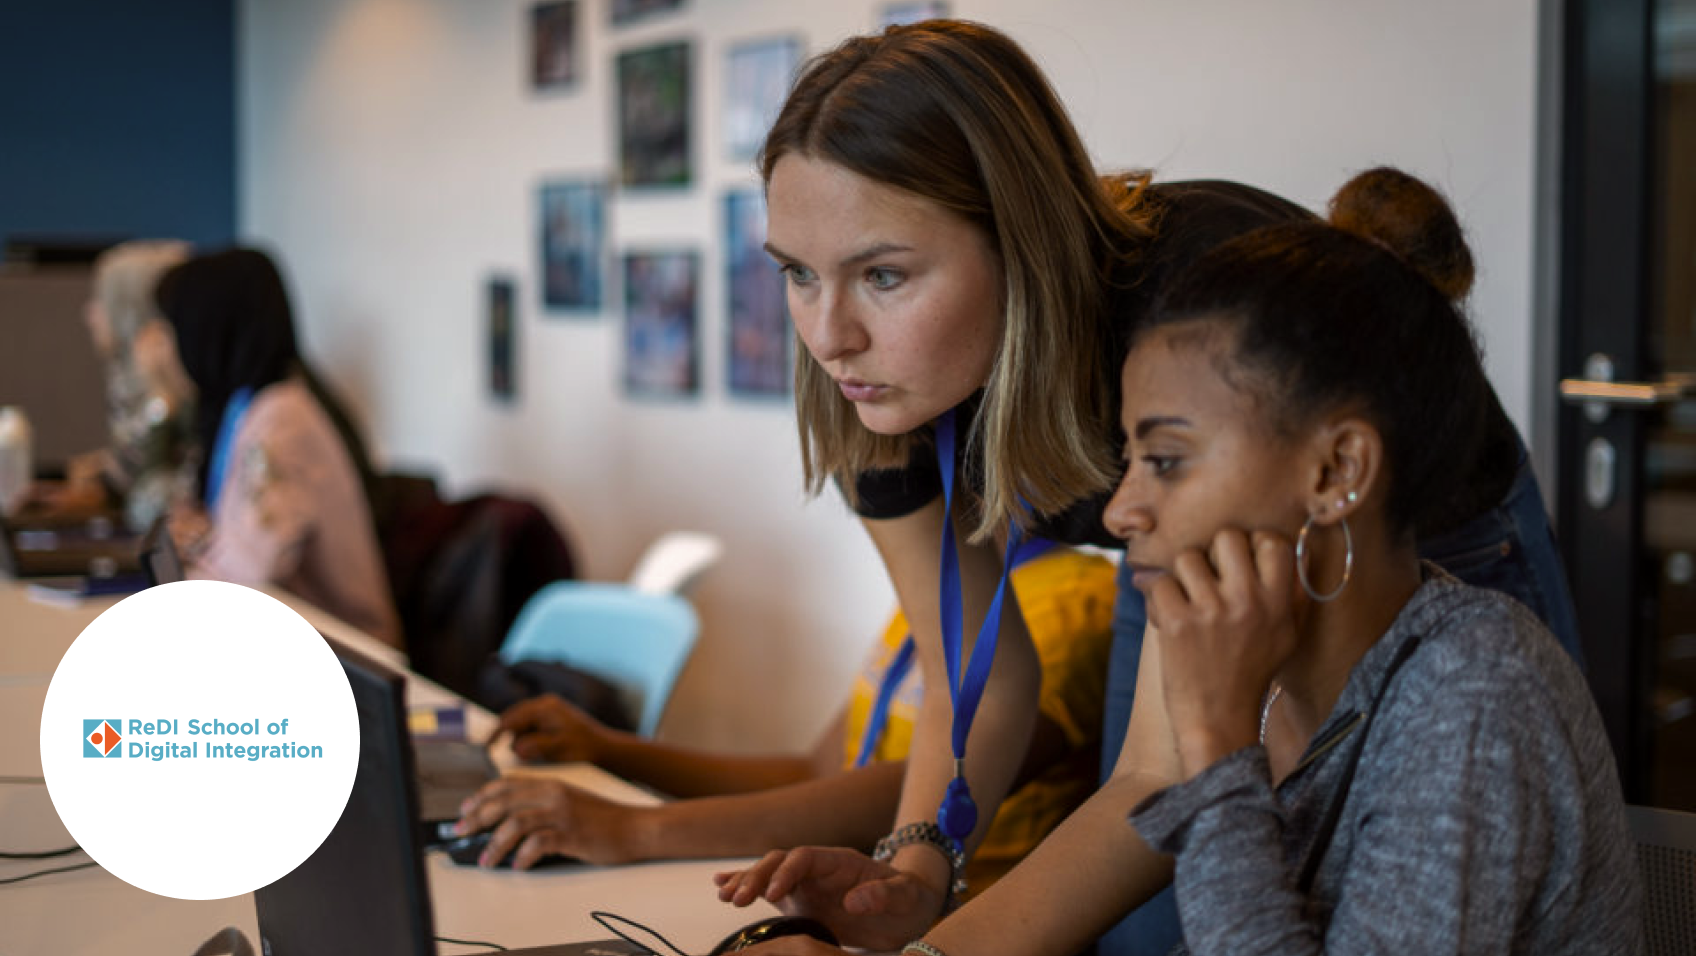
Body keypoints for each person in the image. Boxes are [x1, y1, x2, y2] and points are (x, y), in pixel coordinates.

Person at [713, 19, 1586, 956]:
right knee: (1157, 915)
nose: (828, 334)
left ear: (1020, 238)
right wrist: (919, 879)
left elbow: (1167, 770)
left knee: (1371, 874)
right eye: (798, 275)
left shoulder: (1190, 323)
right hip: (1212, 535)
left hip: (1398, 534)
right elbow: (989, 681)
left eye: (883, 275)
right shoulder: (872, 382)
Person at [454, 542, 1116, 887]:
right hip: (844, 893)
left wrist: (635, 829)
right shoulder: (942, 590)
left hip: (949, 922)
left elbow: (903, 798)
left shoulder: (1078, 604)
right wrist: (611, 750)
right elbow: (816, 769)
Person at [153, 247, 403, 649]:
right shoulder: (244, 409)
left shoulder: (283, 423)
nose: (168, 349)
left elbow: (250, 575)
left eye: (173, 330)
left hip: (348, 659)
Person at [41, 240, 199, 529]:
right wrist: (101, 477)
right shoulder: (127, 375)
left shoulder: (176, 380)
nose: (89, 314)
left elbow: (156, 493)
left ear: (131, 305)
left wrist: (163, 402)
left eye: (101, 299)